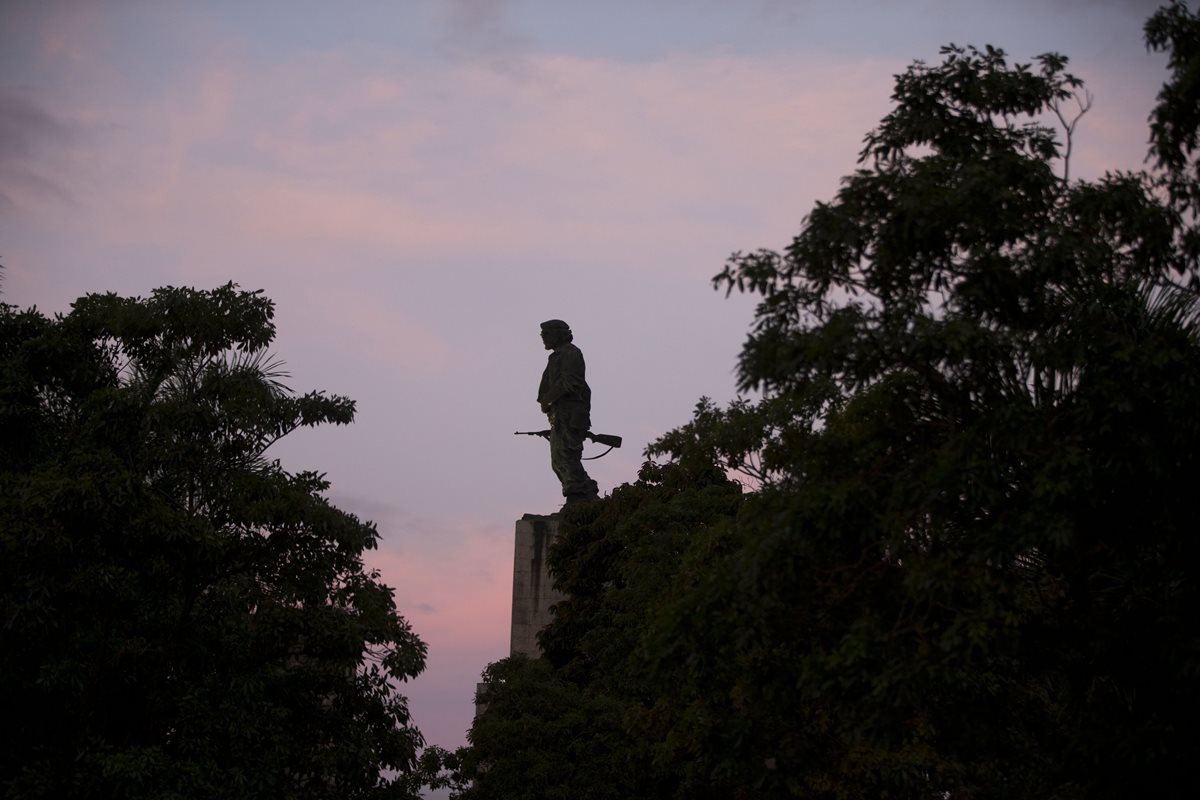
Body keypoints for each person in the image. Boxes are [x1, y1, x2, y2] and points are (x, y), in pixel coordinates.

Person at [537, 319, 599, 506]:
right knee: (559, 459)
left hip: (571, 414)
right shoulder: (556, 357)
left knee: (566, 456)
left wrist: (548, 399)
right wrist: (545, 401)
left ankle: (578, 498)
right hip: (560, 415)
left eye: (546, 334)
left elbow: (570, 381)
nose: (543, 337)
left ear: (558, 334)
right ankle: (584, 495)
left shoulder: (571, 353)